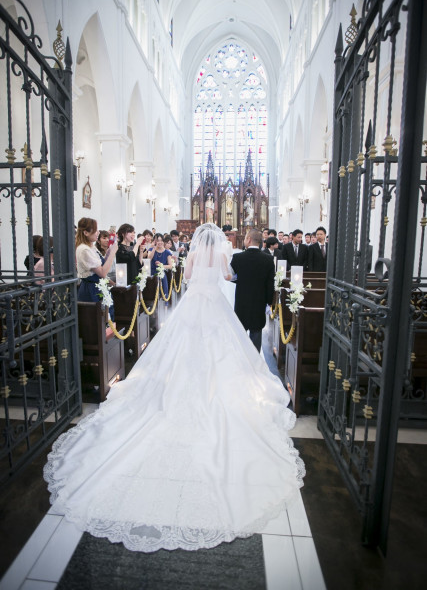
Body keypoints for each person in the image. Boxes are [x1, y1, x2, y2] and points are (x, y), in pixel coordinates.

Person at [44, 223, 304, 553]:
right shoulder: (222, 255)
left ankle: (183, 383)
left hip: (194, 304)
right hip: (214, 306)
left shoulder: (193, 253)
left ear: (198, 240)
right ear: (217, 240)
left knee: (184, 347)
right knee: (222, 349)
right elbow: (227, 279)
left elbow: (191, 276)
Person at [230, 229, 275, 352]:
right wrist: (269, 303)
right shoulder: (268, 259)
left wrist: (241, 280)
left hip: (242, 301)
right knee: (256, 332)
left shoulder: (237, 257)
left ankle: (242, 360)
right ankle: (255, 364)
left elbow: (230, 276)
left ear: (248, 240)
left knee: (241, 331)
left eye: (245, 238)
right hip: (259, 301)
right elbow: (270, 284)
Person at [75, 217, 118, 317]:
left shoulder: (91, 247)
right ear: (86, 233)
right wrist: (112, 253)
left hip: (99, 286)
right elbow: (102, 272)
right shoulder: (84, 250)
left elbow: (102, 263)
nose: (98, 232)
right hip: (91, 290)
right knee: (98, 320)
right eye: (95, 230)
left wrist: (109, 253)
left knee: (107, 317)